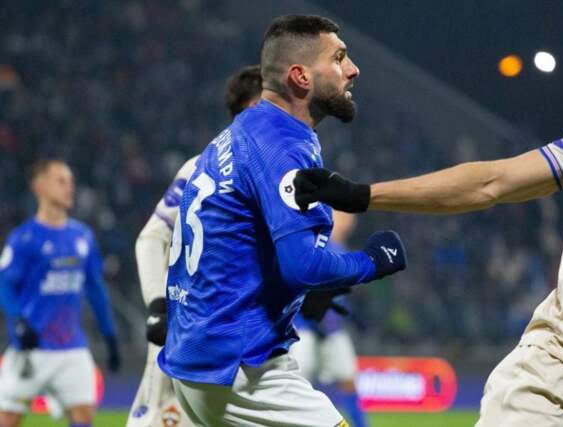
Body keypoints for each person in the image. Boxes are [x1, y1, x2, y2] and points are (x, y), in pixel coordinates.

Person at [294, 109, 563, 426]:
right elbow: (492, 182)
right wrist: (364, 195)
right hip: (560, 377)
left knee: (341, 379)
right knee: (304, 382)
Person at [158, 14, 407, 427]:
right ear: (300, 76)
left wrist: (303, 294)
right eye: (339, 58)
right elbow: (302, 265)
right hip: (238, 368)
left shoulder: (244, 131)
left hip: (202, 356)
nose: (353, 69)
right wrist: (373, 261)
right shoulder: (280, 145)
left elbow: (240, 245)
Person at [127, 64, 263, 427]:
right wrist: (158, 304)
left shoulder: (278, 172)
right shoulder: (202, 168)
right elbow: (152, 237)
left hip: (249, 339)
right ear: (253, 108)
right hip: (190, 332)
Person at [0, 159, 120, 427]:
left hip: (71, 348)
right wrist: (18, 321)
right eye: (61, 181)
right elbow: (4, 285)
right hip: (31, 348)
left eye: (71, 182)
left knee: (84, 416)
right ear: (39, 186)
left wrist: (110, 334)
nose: (70, 188)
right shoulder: (24, 238)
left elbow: (96, 288)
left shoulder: (82, 236)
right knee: (7, 419)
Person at [290, 210, 369, 427]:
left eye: (350, 217)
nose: (349, 221)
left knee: (348, 379)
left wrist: (355, 319)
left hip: (333, 329)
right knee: (294, 383)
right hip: (304, 329)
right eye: (344, 216)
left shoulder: (341, 249)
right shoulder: (316, 244)